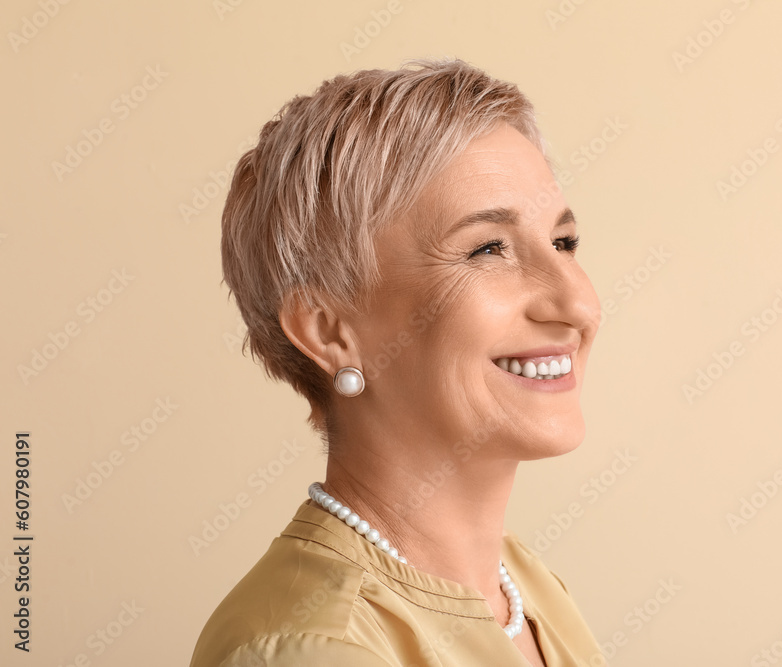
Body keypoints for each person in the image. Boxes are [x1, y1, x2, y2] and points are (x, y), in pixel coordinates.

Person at [190, 58, 605, 667]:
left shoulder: (523, 585)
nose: (578, 303)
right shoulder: (315, 649)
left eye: (563, 243)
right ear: (330, 331)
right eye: (488, 249)